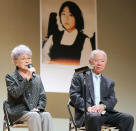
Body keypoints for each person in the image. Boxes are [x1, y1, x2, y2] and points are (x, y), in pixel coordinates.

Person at [69, 49, 134, 131]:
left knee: (128, 118)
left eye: (102, 61)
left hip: (105, 113)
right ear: (90, 62)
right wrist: (88, 108)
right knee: (95, 117)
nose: (99, 64)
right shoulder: (80, 76)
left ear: (105, 63)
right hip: (87, 115)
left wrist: (103, 106)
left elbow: (112, 99)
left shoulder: (109, 81)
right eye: (96, 61)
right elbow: (74, 94)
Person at [5, 44, 53, 131]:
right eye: (23, 58)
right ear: (15, 61)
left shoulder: (37, 78)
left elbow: (43, 98)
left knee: (46, 115)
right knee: (33, 116)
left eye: (29, 58)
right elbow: (15, 93)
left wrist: (38, 108)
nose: (27, 61)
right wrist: (27, 79)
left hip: (34, 111)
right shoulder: (10, 77)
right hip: (17, 112)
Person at [42, 1, 92, 65]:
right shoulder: (53, 37)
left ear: (77, 17)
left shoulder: (85, 40)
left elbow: (85, 66)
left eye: (70, 15)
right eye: (63, 14)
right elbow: (44, 59)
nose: (66, 18)